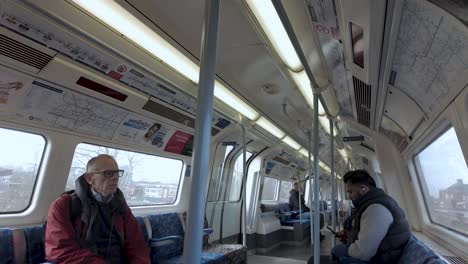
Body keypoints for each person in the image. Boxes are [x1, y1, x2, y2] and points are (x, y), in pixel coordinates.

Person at [45, 154, 150, 264]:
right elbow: (61, 251)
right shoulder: (64, 205)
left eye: (117, 173)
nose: (115, 177)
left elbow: (136, 245)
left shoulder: (120, 206)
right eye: (108, 173)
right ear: (89, 178)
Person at [331, 170, 411, 264]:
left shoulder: (376, 209)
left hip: (380, 260)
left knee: (336, 250)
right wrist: (349, 236)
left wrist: (349, 246)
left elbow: (363, 253)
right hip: (381, 254)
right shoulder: (374, 203)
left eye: (350, 192)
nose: (349, 196)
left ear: (363, 189)